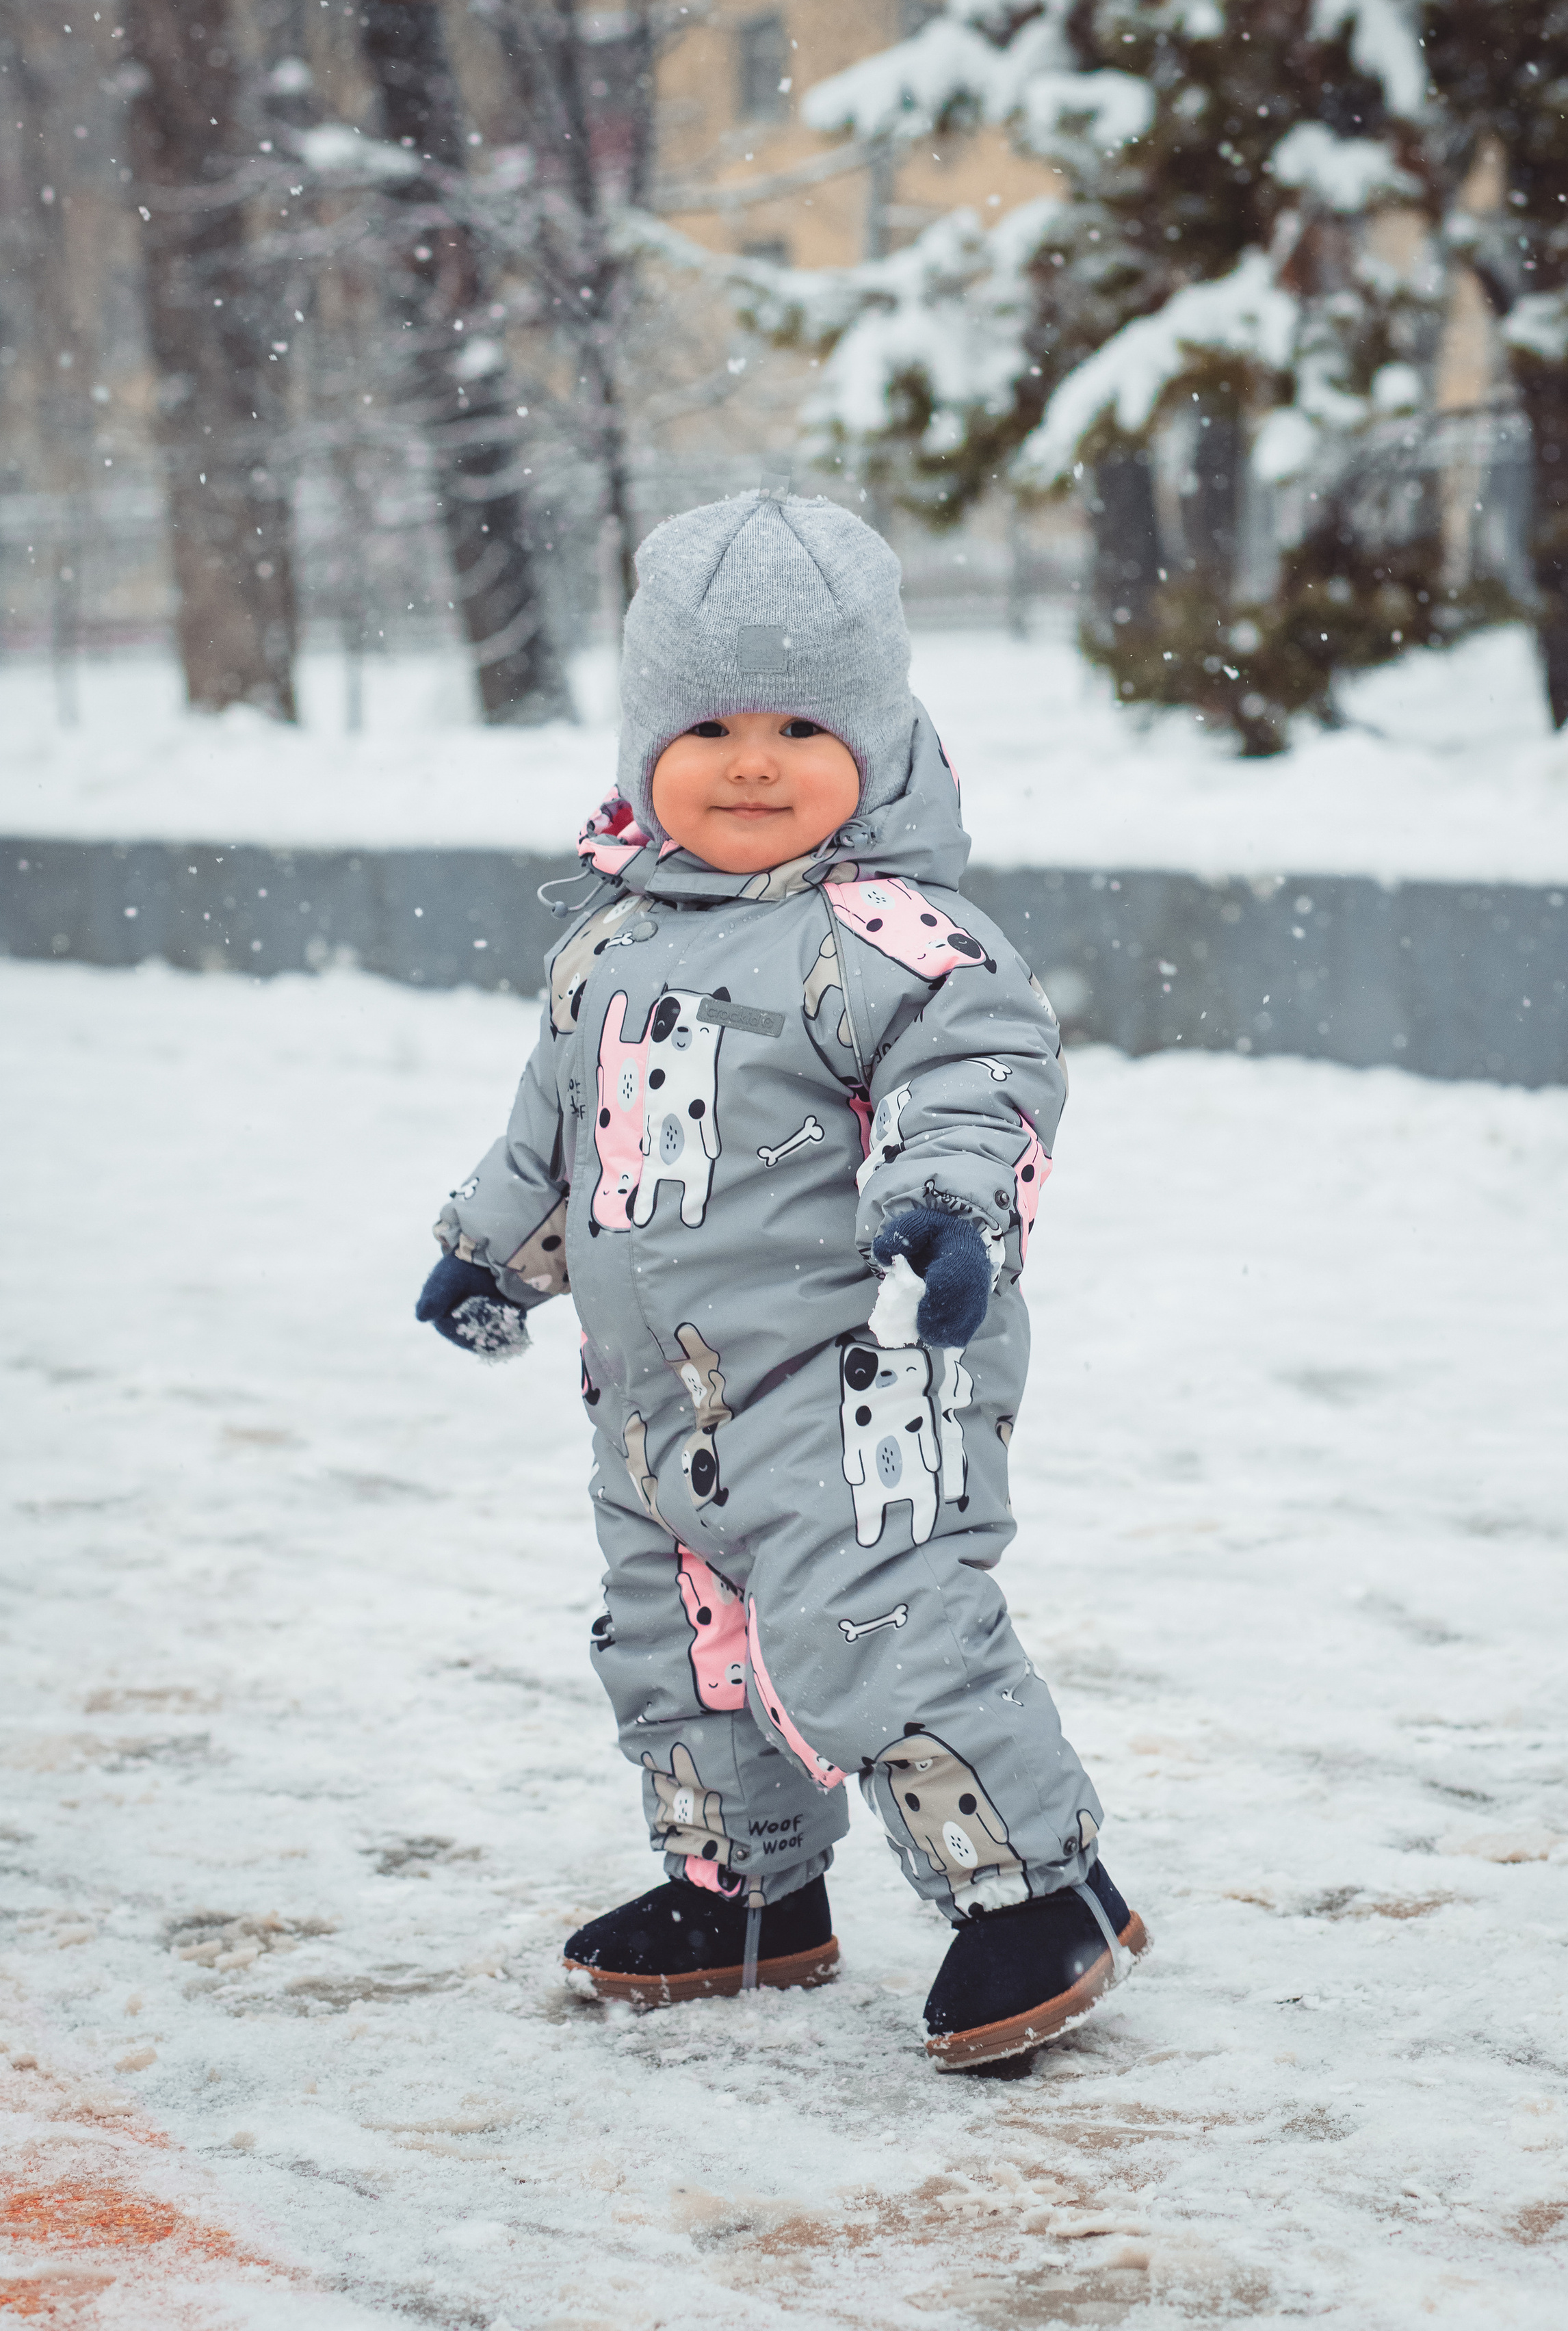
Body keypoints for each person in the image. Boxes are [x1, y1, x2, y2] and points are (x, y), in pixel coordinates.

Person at [415, 486, 1145, 2070]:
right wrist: (487, 1248)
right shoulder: (607, 943)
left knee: (868, 1622)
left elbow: (981, 1075)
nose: (752, 762)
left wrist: (949, 1209)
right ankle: (749, 1893)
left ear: (877, 744)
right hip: (655, 1397)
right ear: (642, 748)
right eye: (712, 724)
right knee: (679, 1639)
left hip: (860, 1368)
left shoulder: (900, 937)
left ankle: (1040, 1893)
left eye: (802, 723)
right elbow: (554, 1130)